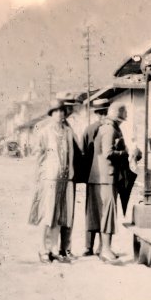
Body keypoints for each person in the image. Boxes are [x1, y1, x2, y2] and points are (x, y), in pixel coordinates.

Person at [28, 98, 77, 264]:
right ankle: (43, 249)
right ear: (51, 114)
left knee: (61, 214)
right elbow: (38, 155)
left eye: (62, 111)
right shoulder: (45, 132)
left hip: (65, 177)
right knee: (48, 214)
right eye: (56, 111)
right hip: (49, 177)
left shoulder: (68, 132)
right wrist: (40, 176)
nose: (59, 114)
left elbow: (72, 153)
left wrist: (70, 171)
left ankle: (54, 249)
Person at [90, 101, 129, 264]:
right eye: (125, 112)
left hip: (103, 177)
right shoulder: (110, 129)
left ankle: (102, 247)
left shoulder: (106, 127)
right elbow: (108, 153)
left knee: (103, 213)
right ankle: (105, 249)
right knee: (107, 213)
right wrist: (125, 153)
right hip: (107, 177)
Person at [81, 98, 111, 256]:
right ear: (99, 114)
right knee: (103, 212)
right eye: (102, 113)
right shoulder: (109, 129)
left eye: (104, 113)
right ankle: (98, 247)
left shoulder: (89, 129)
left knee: (93, 212)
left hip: (93, 177)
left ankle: (91, 247)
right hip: (101, 177)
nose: (103, 116)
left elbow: (83, 154)